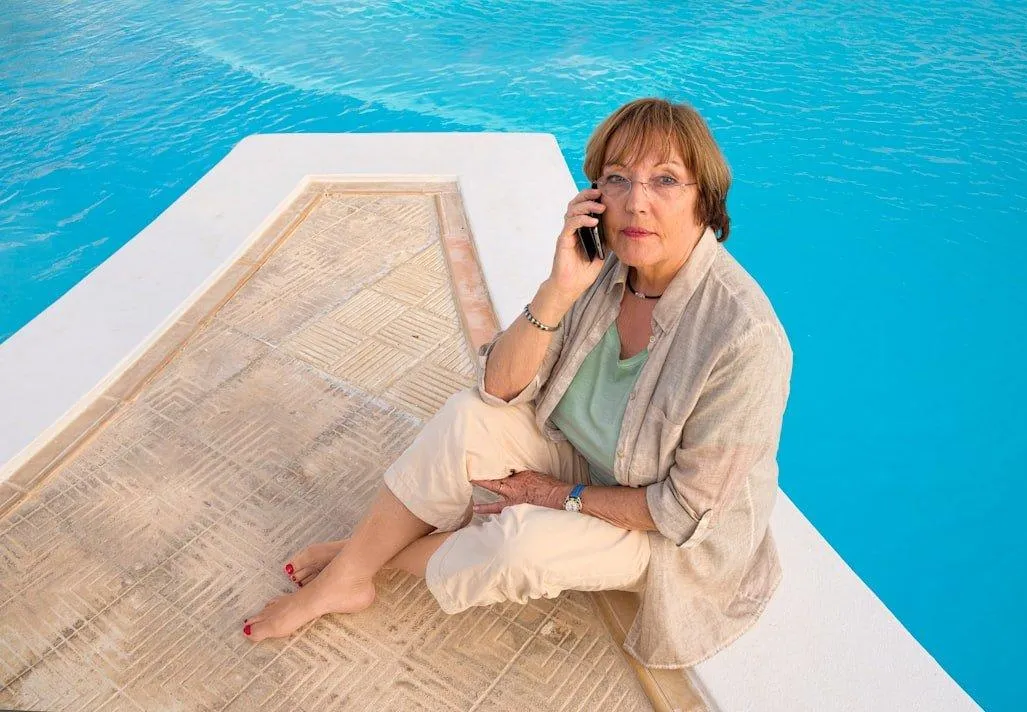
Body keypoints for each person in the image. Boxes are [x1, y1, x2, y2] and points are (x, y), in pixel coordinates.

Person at [243, 97, 793, 669]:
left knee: (518, 545)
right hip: (589, 457)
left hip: (664, 532)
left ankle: (369, 557)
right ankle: (351, 574)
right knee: (466, 418)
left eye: (666, 181)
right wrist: (558, 288)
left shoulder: (742, 336)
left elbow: (682, 512)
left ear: (706, 197)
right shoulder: (603, 267)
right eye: (617, 179)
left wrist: (555, 496)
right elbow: (498, 389)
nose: (637, 202)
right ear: (596, 195)